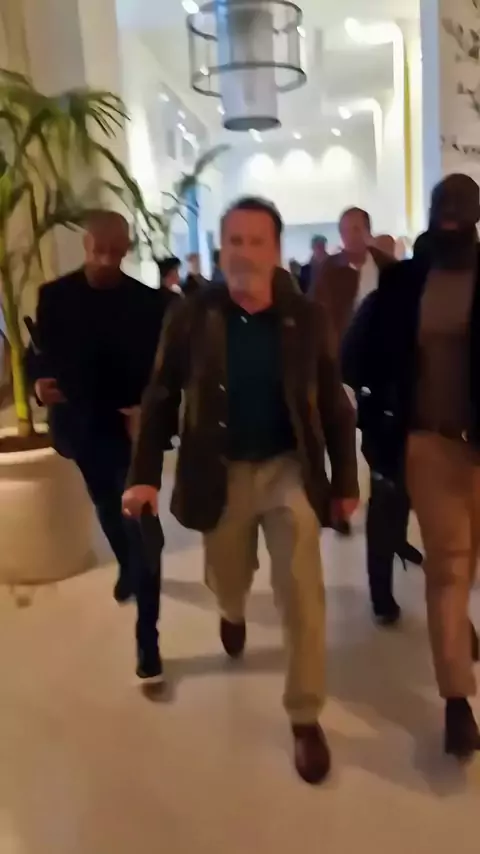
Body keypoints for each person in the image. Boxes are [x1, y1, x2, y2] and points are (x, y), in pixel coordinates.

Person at [123, 196, 359, 785]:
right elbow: (160, 394)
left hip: (287, 469)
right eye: (235, 241)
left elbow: (334, 402)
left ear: (276, 250)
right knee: (226, 577)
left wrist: (345, 482)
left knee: (302, 587)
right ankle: (231, 609)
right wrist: (143, 474)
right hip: (218, 470)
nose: (245, 252)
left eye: (257, 241)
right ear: (220, 247)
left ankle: (304, 715)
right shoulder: (192, 314)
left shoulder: (306, 317)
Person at [341, 173, 480, 758]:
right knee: (448, 567)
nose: (451, 219)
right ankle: (456, 701)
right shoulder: (404, 284)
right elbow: (355, 356)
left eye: (461, 210)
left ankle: (457, 634)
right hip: (430, 444)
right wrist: (382, 408)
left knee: (465, 562)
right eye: (443, 208)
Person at [33, 211, 166, 684]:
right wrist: (39, 386)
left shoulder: (150, 304)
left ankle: (148, 639)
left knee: (144, 528)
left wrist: (149, 409)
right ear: (86, 245)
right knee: (107, 507)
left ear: (127, 249)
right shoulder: (54, 297)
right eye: (99, 249)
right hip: (83, 428)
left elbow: (165, 374)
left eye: (116, 250)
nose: (108, 259)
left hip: (133, 433)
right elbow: (40, 357)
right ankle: (128, 566)